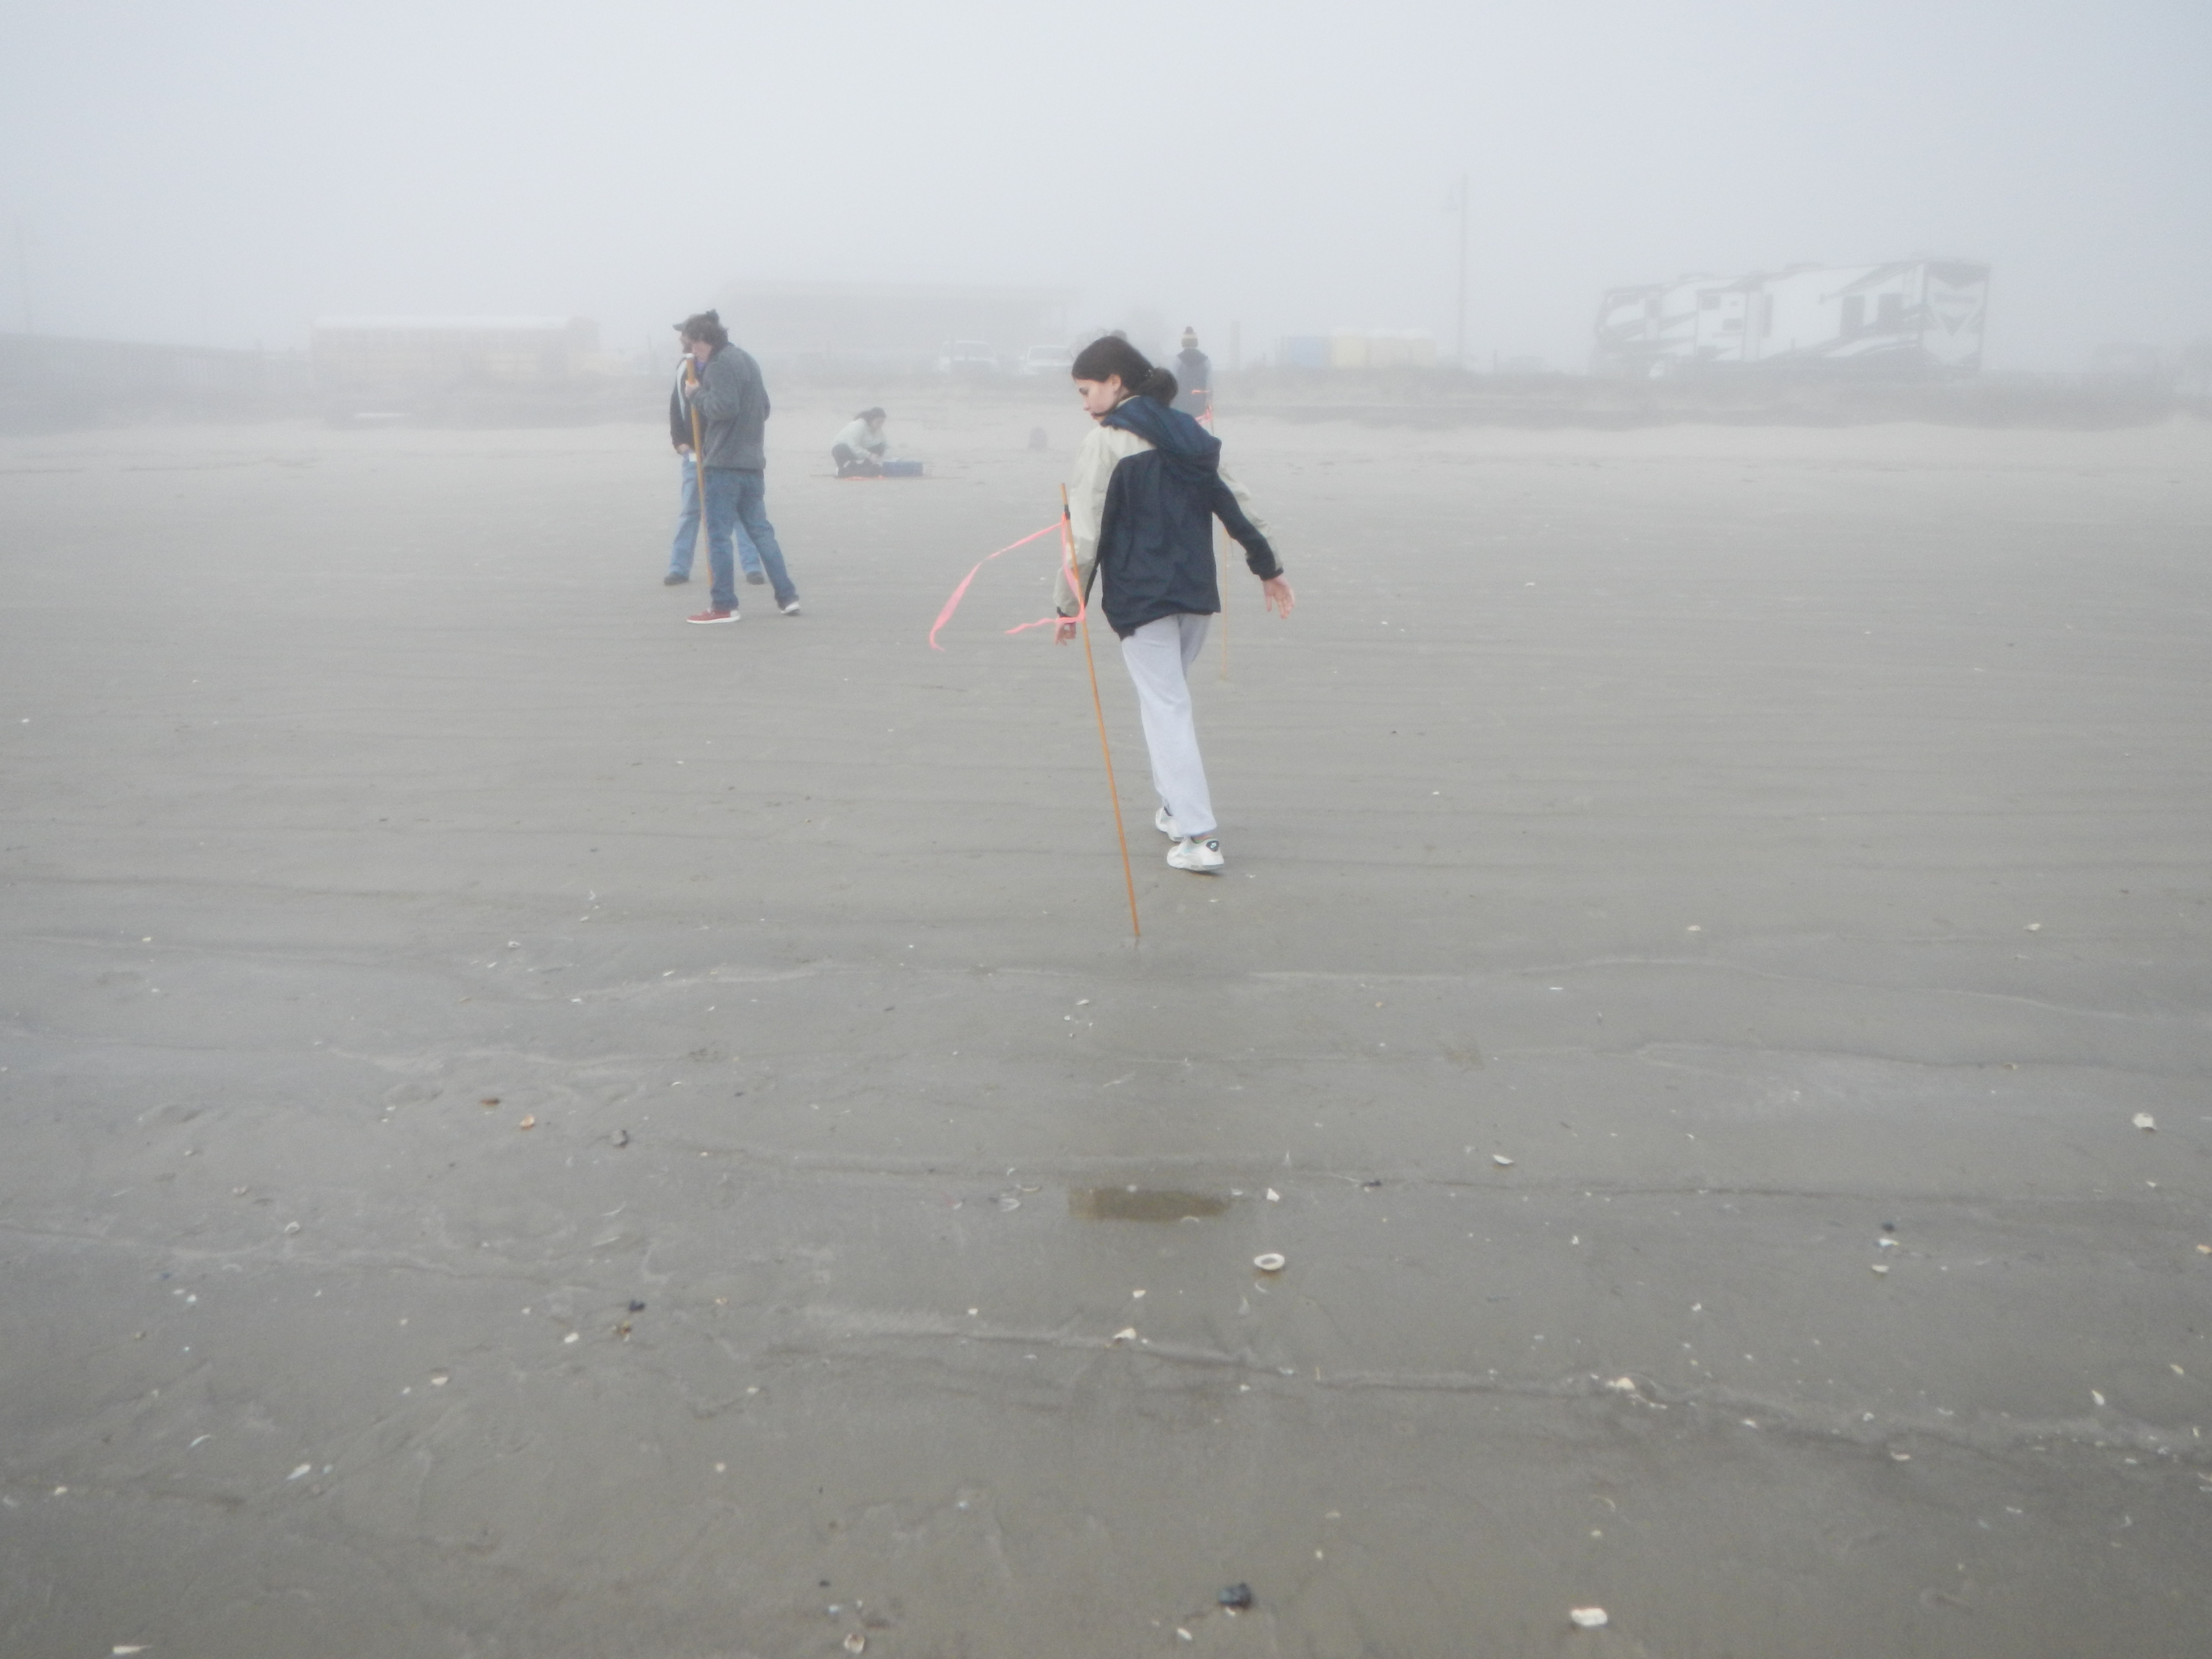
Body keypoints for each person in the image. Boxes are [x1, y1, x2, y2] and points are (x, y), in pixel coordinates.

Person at [1054, 335, 1293, 873]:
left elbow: (1085, 535)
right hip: (1194, 593)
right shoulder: (1190, 431)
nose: (1084, 403)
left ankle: (1199, 835)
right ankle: (1174, 807)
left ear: (1115, 382)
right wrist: (1269, 567)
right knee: (1165, 701)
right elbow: (1235, 504)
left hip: (1143, 598)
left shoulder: (1105, 443)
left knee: (1166, 708)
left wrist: (1069, 606)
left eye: (1086, 390)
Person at [675, 311, 801, 623]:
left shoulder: (719, 365)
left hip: (724, 464)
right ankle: (788, 597)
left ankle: (723, 605)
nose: (691, 352)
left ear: (703, 340)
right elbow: (764, 408)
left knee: (718, 536)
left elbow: (723, 408)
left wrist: (696, 395)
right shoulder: (747, 360)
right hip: (752, 462)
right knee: (761, 531)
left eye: (691, 344)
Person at [665, 328, 764, 587]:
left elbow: (735, 407)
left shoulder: (723, 366)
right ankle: (678, 568)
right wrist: (680, 442)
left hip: (725, 451)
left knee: (739, 511)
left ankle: (752, 566)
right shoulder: (684, 368)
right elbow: (677, 406)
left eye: (688, 336)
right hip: (695, 452)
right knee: (691, 511)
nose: (683, 341)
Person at [830, 408, 889, 477]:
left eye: (882, 422)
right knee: (841, 449)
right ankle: (843, 469)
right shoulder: (858, 425)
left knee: (880, 447)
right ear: (871, 419)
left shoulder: (877, 429)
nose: (880, 425)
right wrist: (869, 455)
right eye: (878, 422)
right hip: (843, 450)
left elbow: (884, 443)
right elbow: (853, 446)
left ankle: (864, 467)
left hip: (858, 451)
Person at [1172, 327, 1212, 423]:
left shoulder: (1178, 360)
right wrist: (1209, 400)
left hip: (1181, 401)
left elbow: (1174, 382)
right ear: (1196, 342)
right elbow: (1209, 384)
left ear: (1183, 343)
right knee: (1197, 425)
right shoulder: (1206, 361)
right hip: (1200, 401)